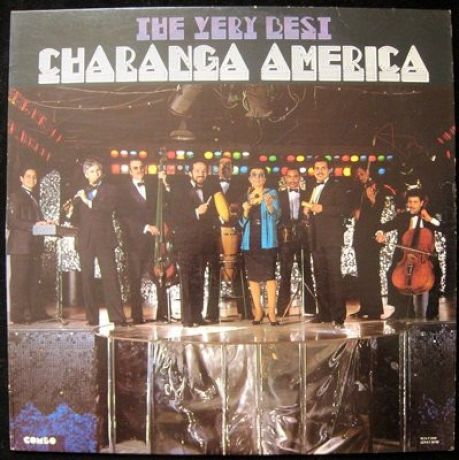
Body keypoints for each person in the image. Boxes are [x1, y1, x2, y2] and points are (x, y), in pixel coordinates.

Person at [65, 159, 128, 327]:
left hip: (104, 239)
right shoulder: (81, 192)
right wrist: (70, 212)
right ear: (86, 175)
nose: (97, 174)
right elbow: (76, 219)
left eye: (98, 170)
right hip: (86, 239)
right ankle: (92, 318)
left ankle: (117, 317)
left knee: (110, 277)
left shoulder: (110, 190)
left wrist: (86, 200)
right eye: (92, 171)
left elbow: (106, 209)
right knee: (87, 279)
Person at [375, 190, 443, 320]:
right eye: (410, 202)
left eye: (415, 202)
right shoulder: (403, 217)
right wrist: (380, 233)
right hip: (404, 255)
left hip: (425, 256)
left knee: (436, 274)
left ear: (422, 203)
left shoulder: (429, 216)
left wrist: (430, 219)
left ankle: (432, 312)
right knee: (392, 274)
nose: (411, 205)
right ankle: (401, 310)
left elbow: (443, 227)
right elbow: (384, 226)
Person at [117, 158, 170, 324]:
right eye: (135, 168)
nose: (139, 170)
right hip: (136, 240)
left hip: (155, 240)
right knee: (135, 278)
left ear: (145, 169)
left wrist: (164, 183)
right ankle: (137, 316)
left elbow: (165, 204)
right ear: (130, 171)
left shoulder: (154, 186)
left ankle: (162, 313)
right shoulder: (123, 190)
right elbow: (124, 216)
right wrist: (146, 227)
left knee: (160, 275)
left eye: (141, 167)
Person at [169, 159, 216, 327]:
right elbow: (175, 215)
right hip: (186, 241)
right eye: (197, 170)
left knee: (199, 279)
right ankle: (187, 318)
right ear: (190, 173)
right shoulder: (179, 190)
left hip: (203, 242)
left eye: (204, 171)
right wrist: (196, 212)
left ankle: (197, 315)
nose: (201, 173)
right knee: (187, 280)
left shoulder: (210, 190)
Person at [303, 157, 347, 327]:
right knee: (320, 277)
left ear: (329, 170)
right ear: (313, 170)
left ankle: (339, 316)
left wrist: (324, 209)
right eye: (317, 168)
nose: (320, 171)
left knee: (335, 277)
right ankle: (324, 314)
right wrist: (307, 212)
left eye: (323, 168)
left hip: (331, 239)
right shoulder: (311, 188)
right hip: (315, 239)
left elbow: (344, 209)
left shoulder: (337, 186)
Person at [206, 157, 251, 320]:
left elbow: (246, 205)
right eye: (221, 164)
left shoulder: (241, 184)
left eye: (228, 165)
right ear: (216, 167)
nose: (224, 167)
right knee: (214, 271)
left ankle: (245, 311)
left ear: (232, 168)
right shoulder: (209, 184)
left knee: (239, 270)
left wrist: (237, 208)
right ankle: (212, 313)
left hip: (236, 231)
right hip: (214, 232)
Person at [7, 167, 53, 324]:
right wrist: (35, 224)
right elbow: (12, 222)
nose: (32, 179)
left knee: (34, 280)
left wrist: (45, 222)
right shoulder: (16, 196)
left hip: (33, 246)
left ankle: (36, 313)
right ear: (21, 178)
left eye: (34, 177)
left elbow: (34, 220)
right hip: (20, 246)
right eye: (28, 176)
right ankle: (18, 315)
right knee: (19, 281)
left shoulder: (33, 197)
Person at [240, 166, 281, 325]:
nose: (257, 178)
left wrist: (270, 206)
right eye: (254, 175)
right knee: (253, 278)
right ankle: (258, 310)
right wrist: (245, 211)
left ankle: (271, 311)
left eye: (261, 175)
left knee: (269, 276)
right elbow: (240, 223)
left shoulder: (272, 193)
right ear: (249, 178)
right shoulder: (245, 196)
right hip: (250, 240)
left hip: (267, 240)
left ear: (265, 179)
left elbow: (277, 217)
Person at [276, 167, 316, 317]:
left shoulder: (307, 194)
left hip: (302, 237)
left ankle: (310, 309)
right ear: (285, 179)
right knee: (284, 273)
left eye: (295, 177)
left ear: (300, 178)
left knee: (306, 271)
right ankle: (282, 310)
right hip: (285, 238)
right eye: (290, 177)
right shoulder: (279, 195)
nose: (292, 180)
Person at [351, 165, 386, 320]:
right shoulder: (357, 190)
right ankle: (364, 306)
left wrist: (372, 199)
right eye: (357, 175)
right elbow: (354, 212)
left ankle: (375, 309)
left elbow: (378, 212)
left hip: (372, 235)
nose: (360, 177)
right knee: (362, 273)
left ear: (368, 172)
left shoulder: (378, 189)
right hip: (359, 235)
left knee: (372, 273)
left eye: (362, 173)